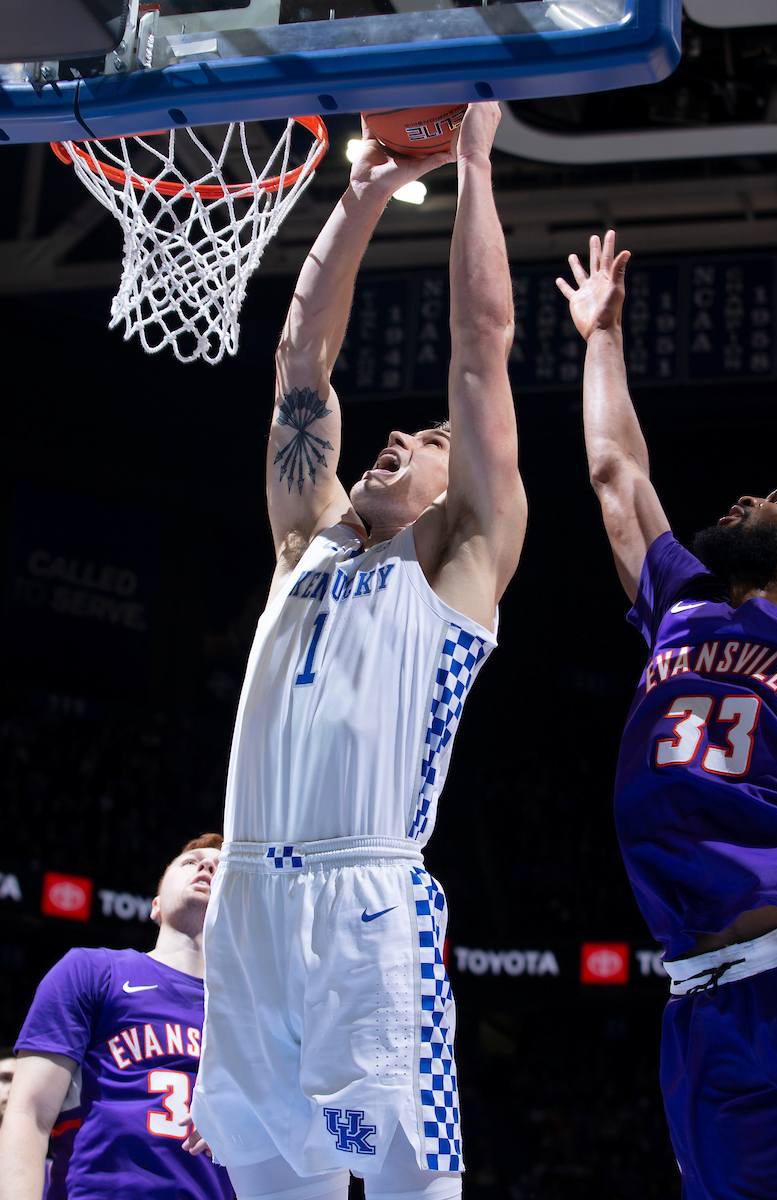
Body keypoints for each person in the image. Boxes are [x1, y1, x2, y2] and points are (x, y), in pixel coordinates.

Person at [189, 101, 527, 1200]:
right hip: (245, 908)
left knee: (402, 1187)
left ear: (457, 485)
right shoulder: (307, 542)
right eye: (403, 433)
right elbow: (300, 363)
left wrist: (472, 165)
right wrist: (365, 189)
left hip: (365, 912)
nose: (401, 438)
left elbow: (480, 357)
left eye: (426, 444)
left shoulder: (458, 565)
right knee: (264, 1187)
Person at [559, 231, 777, 1199]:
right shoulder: (682, 603)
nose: (743, 499)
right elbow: (615, 472)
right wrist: (600, 338)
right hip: (701, 1001)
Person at [0, 834, 233, 1200]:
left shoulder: (250, 1015)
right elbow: (29, 1113)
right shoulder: (91, 970)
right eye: (190, 862)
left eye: (220, 869)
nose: (205, 866)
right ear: (155, 906)